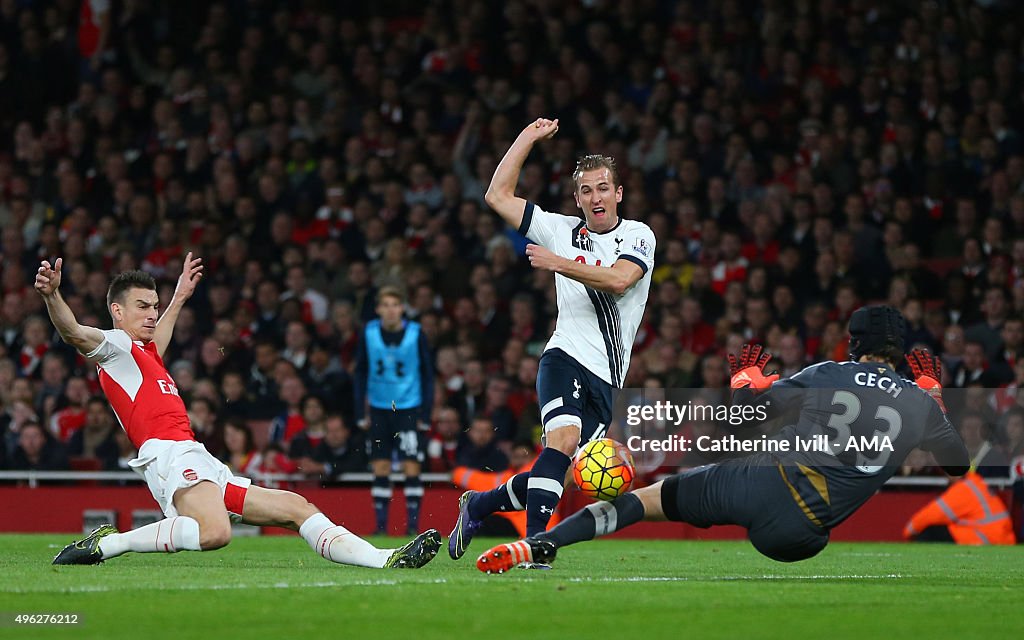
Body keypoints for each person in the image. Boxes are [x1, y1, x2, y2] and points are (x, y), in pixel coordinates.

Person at [474, 306, 970, 573]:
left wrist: (745, 380)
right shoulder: (920, 403)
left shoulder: (827, 372)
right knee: (814, 538)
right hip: (798, 535)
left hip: (752, 482)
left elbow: (744, 412)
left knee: (643, 501)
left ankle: (542, 542)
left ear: (855, 343)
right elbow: (958, 466)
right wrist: (936, 402)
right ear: (899, 351)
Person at [35, 254, 439, 568]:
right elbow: (74, 332)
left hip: (198, 457)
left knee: (297, 509)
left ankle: (386, 558)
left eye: (154, 306)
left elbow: (160, 336)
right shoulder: (115, 347)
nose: (152, 314)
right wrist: (53, 296)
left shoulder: (146, 352)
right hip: (169, 456)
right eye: (143, 307)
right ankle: (108, 543)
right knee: (215, 533)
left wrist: (178, 298)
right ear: (117, 312)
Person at [449, 118, 655, 565]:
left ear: (618, 194)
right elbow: (496, 196)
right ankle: (537, 546)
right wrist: (527, 138)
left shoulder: (638, 235)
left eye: (603, 188)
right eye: (586, 190)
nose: (595, 197)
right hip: (564, 357)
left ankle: (480, 504)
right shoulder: (560, 229)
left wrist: (558, 263)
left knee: (562, 471)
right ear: (577, 198)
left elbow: (620, 280)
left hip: (608, 379)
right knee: (560, 442)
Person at [353, 286, 433, 535]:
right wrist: (359, 410)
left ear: (403, 309)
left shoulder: (416, 334)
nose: (390, 310)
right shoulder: (369, 333)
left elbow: (427, 374)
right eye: (385, 305)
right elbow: (360, 372)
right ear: (378, 309)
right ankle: (380, 527)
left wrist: (426, 414)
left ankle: (412, 526)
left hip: (408, 408)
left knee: (411, 466)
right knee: (380, 467)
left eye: (395, 305)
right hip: (378, 408)